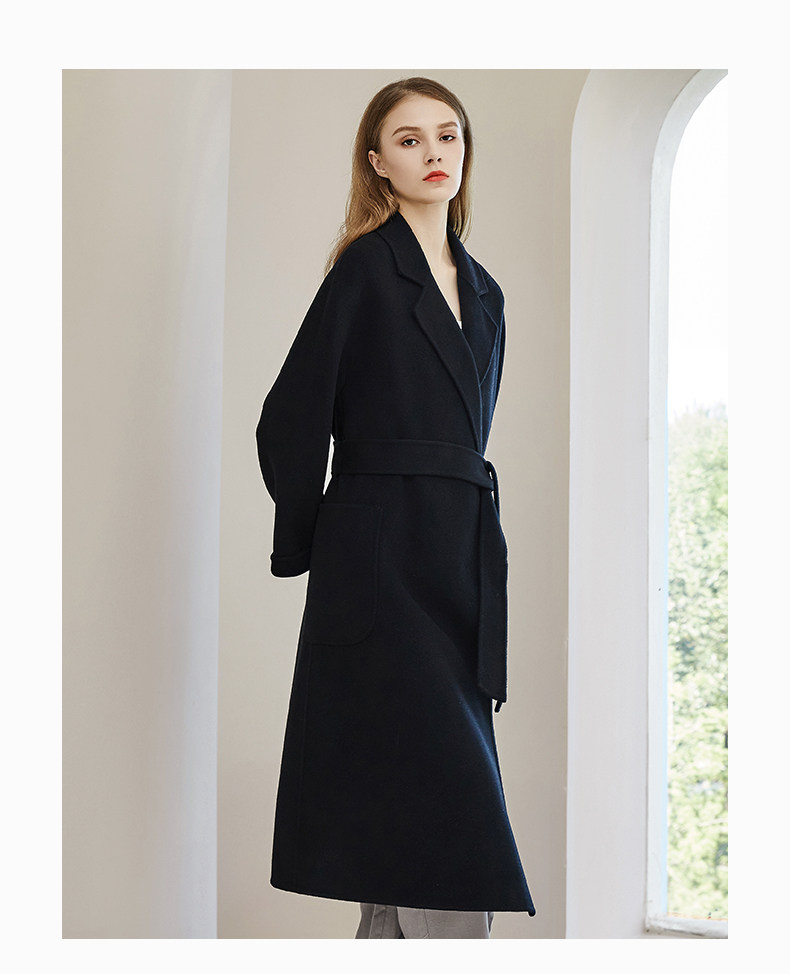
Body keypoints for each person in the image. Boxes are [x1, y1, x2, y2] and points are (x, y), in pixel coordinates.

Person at [256, 77, 536, 939]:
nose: (434, 153)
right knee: (445, 813)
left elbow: (466, 434)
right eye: (409, 140)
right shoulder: (366, 270)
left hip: (460, 562)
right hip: (379, 564)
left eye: (447, 136)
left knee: (408, 817)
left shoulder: (485, 293)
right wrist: (316, 543)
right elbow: (290, 418)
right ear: (377, 162)